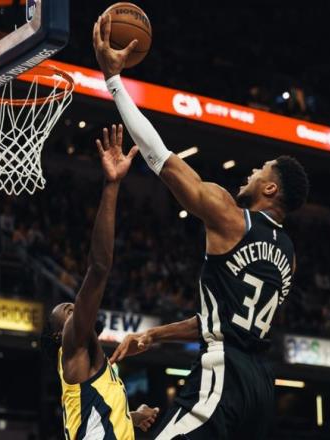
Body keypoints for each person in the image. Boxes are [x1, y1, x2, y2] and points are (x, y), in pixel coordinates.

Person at [93, 15, 309, 440]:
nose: (250, 173)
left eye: (259, 171)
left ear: (270, 188)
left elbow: (160, 157)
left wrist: (114, 80)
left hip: (223, 374)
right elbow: (224, 320)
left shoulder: (231, 215)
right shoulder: (289, 256)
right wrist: (154, 336)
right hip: (259, 387)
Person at [40, 125, 159, 439]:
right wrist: (112, 185)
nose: (74, 308)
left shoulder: (96, 369)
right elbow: (99, 268)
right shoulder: (73, 346)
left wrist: (131, 417)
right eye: (67, 311)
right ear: (59, 335)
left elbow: (97, 417)